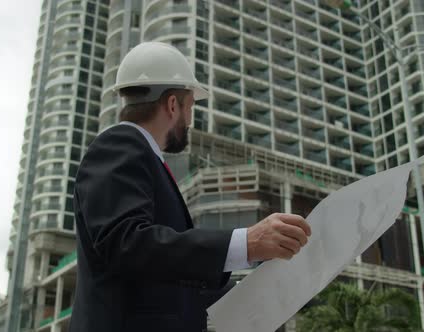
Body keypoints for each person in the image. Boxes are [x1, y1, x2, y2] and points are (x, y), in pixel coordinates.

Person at [69, 42, 311, 332]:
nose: (189, 120)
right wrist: (247, 243)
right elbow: (127, 245)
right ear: (173, 104)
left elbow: (164, 280)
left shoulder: (143, 159)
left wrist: (255, 294)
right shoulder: (119, 146)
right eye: (191, 107)